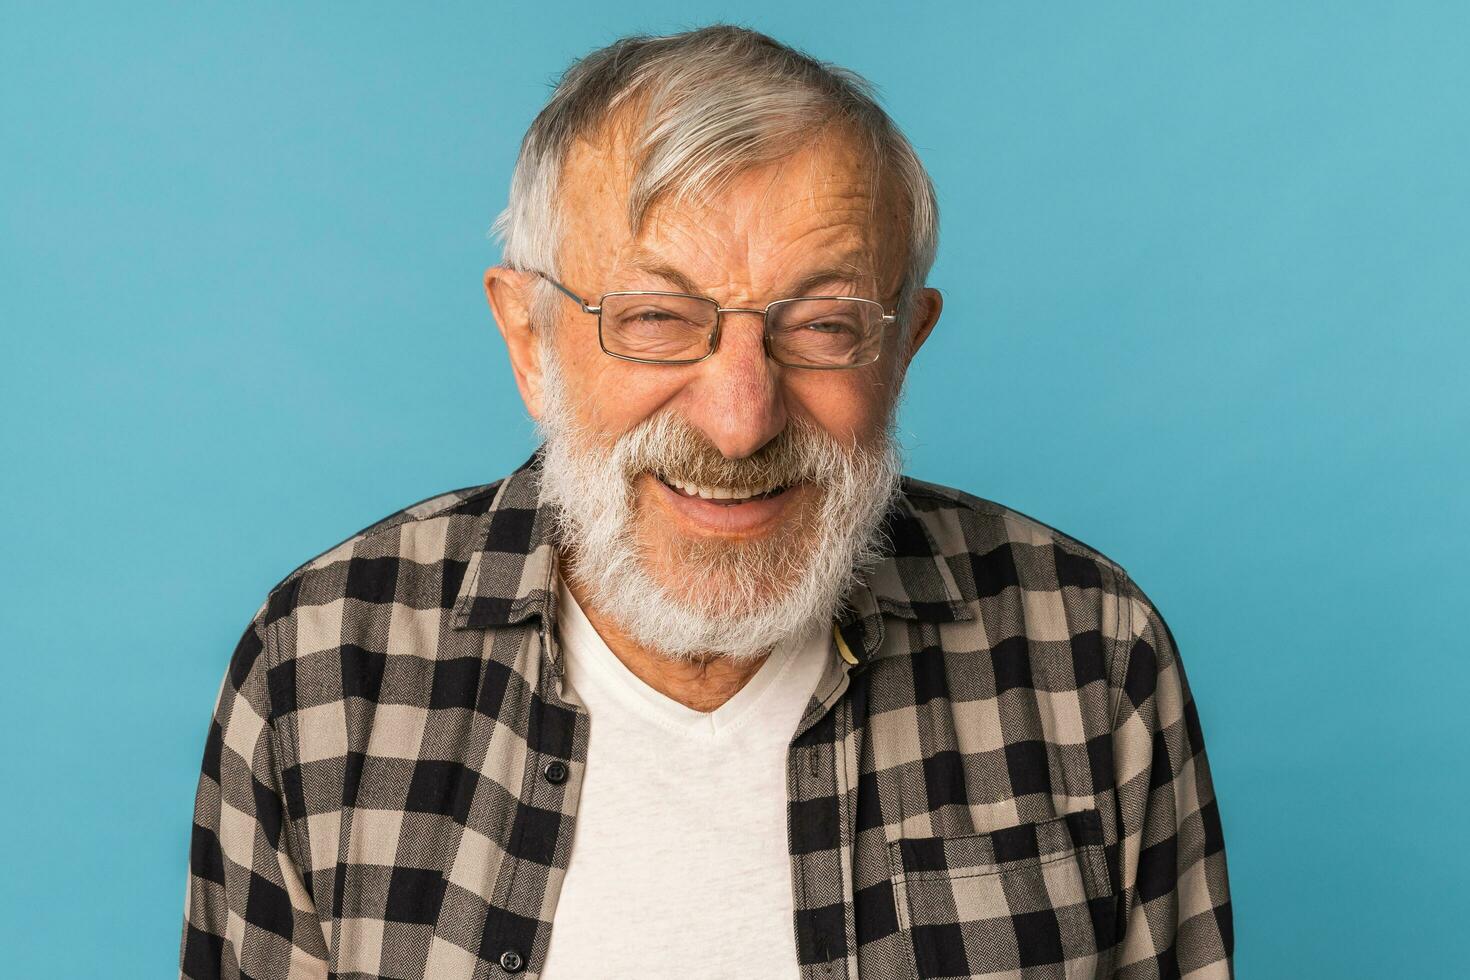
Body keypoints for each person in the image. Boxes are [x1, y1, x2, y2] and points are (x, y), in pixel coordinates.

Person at [179, 25, 1233, 980]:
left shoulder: (1092, 654)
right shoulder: (320, 669)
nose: (739, 420)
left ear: (904, 346)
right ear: (529, 340)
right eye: (653, 317)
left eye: (823, 325)